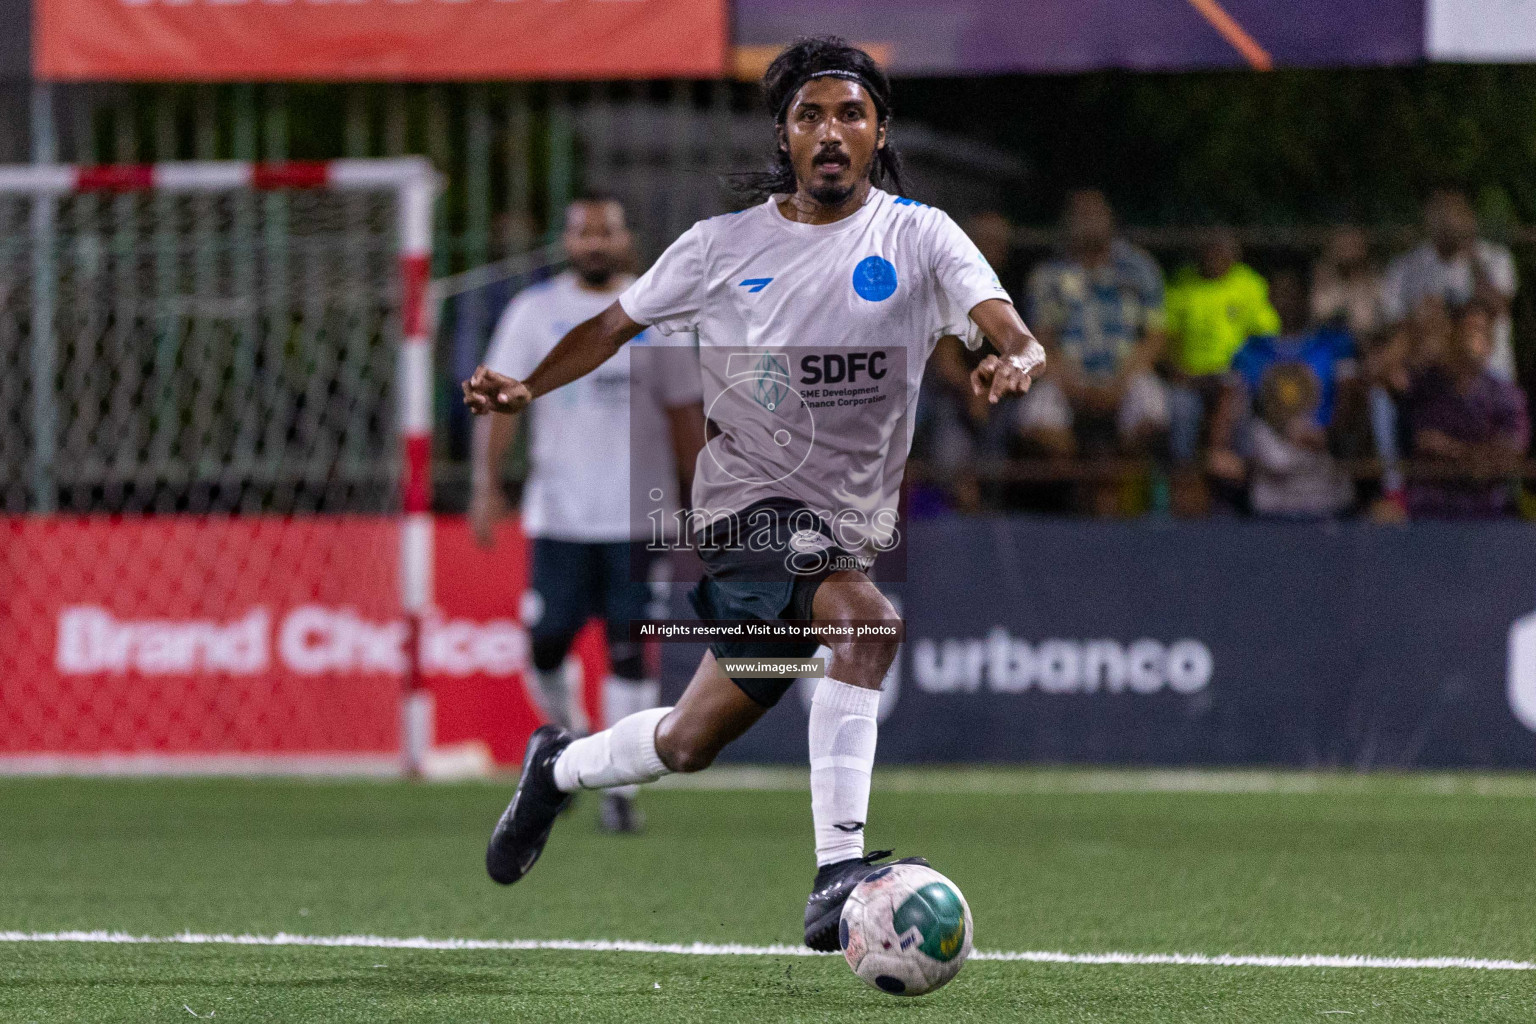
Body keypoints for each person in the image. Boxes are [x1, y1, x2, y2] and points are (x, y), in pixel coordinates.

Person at [462, 37, 1044, 950]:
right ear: (785, 133)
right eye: (809, 114)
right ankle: (836, 875)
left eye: (849, 113)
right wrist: (528, 387)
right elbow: (613, 326)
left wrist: (1017, 351)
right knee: (867, 626)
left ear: (878, 131)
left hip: (837, 532)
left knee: (689, 743)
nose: (829, 131)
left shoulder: (920, 235)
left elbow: (995, 315)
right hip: (742, 512)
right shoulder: (722, 248)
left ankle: (558, 765)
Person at [471, 193, 705, 834]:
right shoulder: (533, 312)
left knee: (631, 652)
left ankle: (620, 789)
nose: (595, 242)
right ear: (567, 240)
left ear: (625, 238)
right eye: (584, 232)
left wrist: (701, 498)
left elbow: (686, 412)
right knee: (545, 643)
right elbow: (498, 398)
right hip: (561, 516)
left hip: (639, 518)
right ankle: (570, 745)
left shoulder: (656, 313)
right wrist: (486, 484)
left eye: (607, 231)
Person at [1019, 190, 1168, 515]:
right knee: (1035, 420)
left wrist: (1121, 383)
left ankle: (1120, 505)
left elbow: (1156, 336)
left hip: (1126, 374)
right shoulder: (1048, 275)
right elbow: (1039, 340)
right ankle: (1081, 504)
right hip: (1067, 376)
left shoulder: (1140, 267)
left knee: (1153, 414)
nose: (1088, 222)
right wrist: (1074, 386)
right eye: (1080, 214)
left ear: (1111, 219)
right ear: (1067, 223)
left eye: (1095, 213)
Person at [1371, 190, 1519, 517]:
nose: (1448, 224)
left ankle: (1502, 492)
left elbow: (1498, 306)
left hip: (1489, 371)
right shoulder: (1408, 265)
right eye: (1440, 217)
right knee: (1382, 394)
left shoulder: (1494, 257)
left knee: (1502, 417)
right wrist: (1424, 320)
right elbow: (1391, 329)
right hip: (1432, 371)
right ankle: (1395, 486)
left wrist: (1470, 254)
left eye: (1456, 217)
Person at [1219, 269, 1357, 518]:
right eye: (1281, 293)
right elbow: (1227, 414)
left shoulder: (1334, 346)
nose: (1288, 301)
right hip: (1269, 480)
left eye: (1294, 293)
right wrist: (1221, 451)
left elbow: (1351, 406)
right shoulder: (1251, 352)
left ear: (1307, 296)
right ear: (1270, 299)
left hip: (1323, 476)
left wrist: (1328, 437)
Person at [1164, 229, 1281, 513]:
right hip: (1190, 380)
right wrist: (1180, 372)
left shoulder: (1250, 285)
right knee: (1180, 410)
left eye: (1221, 250)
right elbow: (1168, 340)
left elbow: (1267, 342)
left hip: (1237, 378)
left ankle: (1238, 496)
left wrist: (1241, 374)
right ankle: (1185, 493)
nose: (1215, 256)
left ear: (1234, 253)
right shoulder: (1182, 285)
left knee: (1240, 412)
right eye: (1209, 250)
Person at [1405, 302, 1529, 519]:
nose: (1473, 339)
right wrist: (1475, 455)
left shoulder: (1505, 393)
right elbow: (1427, 442)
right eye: (1468, 330)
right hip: (1434, 511)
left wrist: (1458, 452)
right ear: (1452, 336)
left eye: (1481, 331)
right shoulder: (1426, 386)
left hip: (1491, 510)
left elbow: (1512, 448)